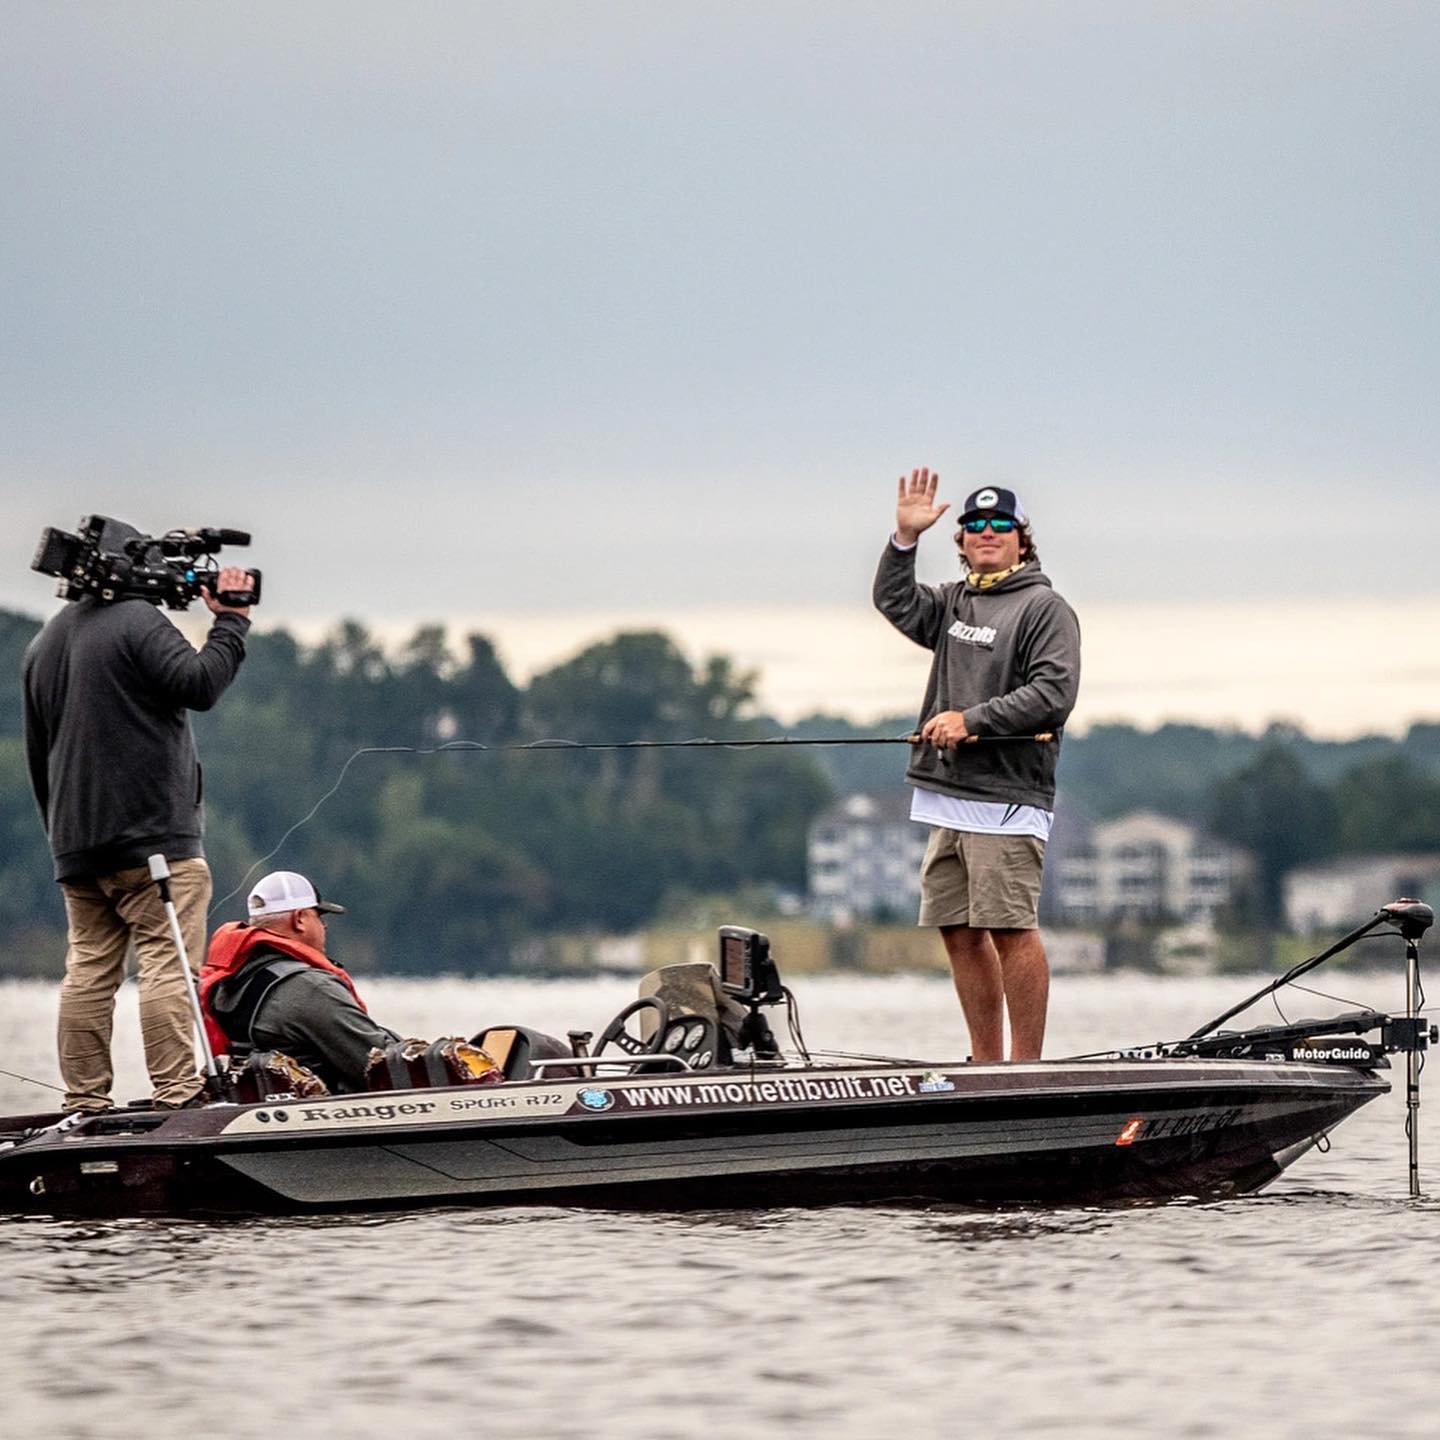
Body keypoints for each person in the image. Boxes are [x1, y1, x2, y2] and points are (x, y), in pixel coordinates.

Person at [23, 520, 254, 1111]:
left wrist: (61, 839)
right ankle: (179, 1094)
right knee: (167, 961)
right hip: (153, 841)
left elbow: (37, 753)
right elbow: (199, 684)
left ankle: (84, 1100)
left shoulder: (43, 643)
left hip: (76, 845)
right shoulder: (135, 622)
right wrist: (230, 620)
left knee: (88, 972)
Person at [873, 468, 1080, 1061]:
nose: (987, 532)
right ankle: (986, 1061)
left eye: (1000, 525)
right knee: (959, 932)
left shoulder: (1044, 609)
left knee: (1010, 927)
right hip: (948, 797)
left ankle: (1026, 1066)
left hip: (1009, 795)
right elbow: (895, 601)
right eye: (974, 526)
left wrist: (972, 719)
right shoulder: (953, 602)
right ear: (961, 542)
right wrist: (904, 540)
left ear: (1022, 538)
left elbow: (1053, 694)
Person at [200, 871, 402, 1094]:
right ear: (299, 919)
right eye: (319, 917)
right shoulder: (312, 988)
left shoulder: (229, 983)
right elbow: (379, 1066)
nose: (324, 927)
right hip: (328, 1118)